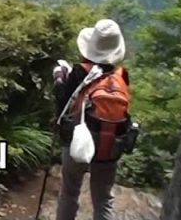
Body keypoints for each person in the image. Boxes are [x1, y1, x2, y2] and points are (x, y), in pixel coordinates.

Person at [52, 19, 129, 220]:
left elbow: (63, 108)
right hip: (109, 145)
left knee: (70, 192)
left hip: (77, 142)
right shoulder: (121, 76)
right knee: (104, 199)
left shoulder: (80, 72)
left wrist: (60, 79)